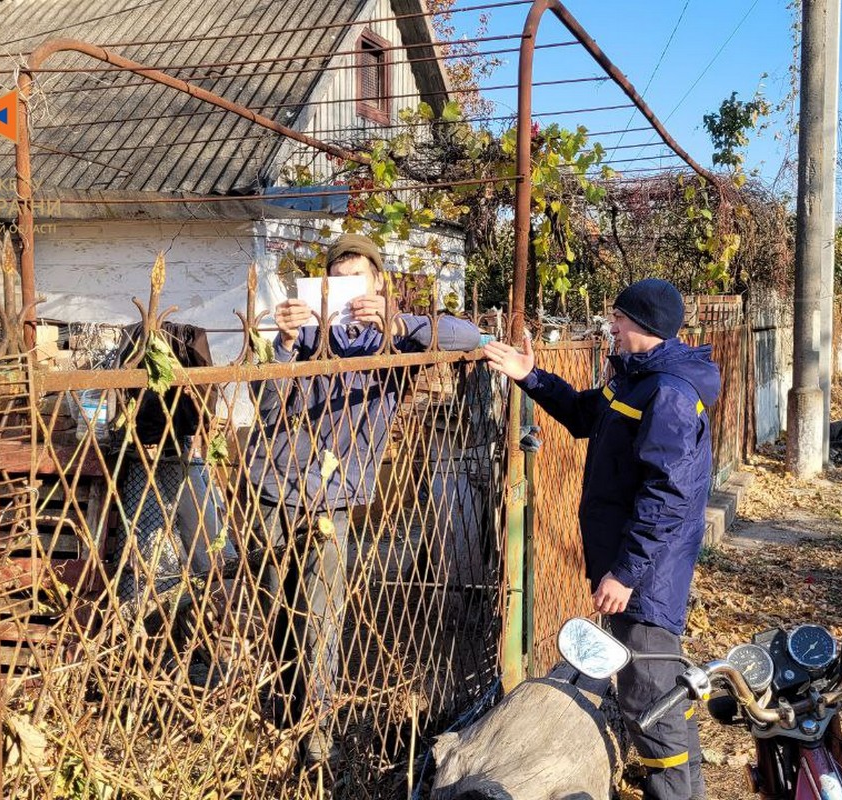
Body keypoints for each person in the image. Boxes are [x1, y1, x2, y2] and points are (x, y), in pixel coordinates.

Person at [245, 234, 481, 774]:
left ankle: (318, 741)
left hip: (332, 497)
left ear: (378, 282)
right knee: (277, 610)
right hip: (272, 483)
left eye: (358, 278)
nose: (348, 288)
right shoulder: (306, 331)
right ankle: (284, 712)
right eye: (337, 278)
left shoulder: (395, 342)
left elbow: (471, 336)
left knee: (322, 617)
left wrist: (396, 322)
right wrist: (282, 342)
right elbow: (265, 403)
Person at [484, 278, 720, 800]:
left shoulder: (670, 394)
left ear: (644, 325)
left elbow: (669, 496)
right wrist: (532, 378)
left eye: (618, 317)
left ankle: (674, 792)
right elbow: (586, 414)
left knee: (648, 698)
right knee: (656, 684)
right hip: (639, 566)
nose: (610, 325)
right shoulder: (638, 380)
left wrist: (626, 573)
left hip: (648, 573)